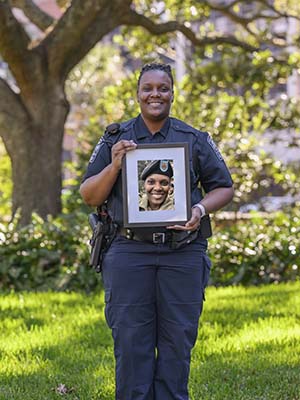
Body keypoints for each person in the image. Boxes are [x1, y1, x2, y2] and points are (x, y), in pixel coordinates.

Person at [80, 62, 234, 400]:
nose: (155, 94)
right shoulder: (115, 139)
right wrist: (116, 164)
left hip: (183, 251)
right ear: (137, 94)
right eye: (147, 88)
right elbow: (89, 195)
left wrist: (198, 209)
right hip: (128, 251)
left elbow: (224, 187)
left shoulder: (193, 139)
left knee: (177, 339)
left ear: (172, 93)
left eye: (162, 88)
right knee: (131, 340)